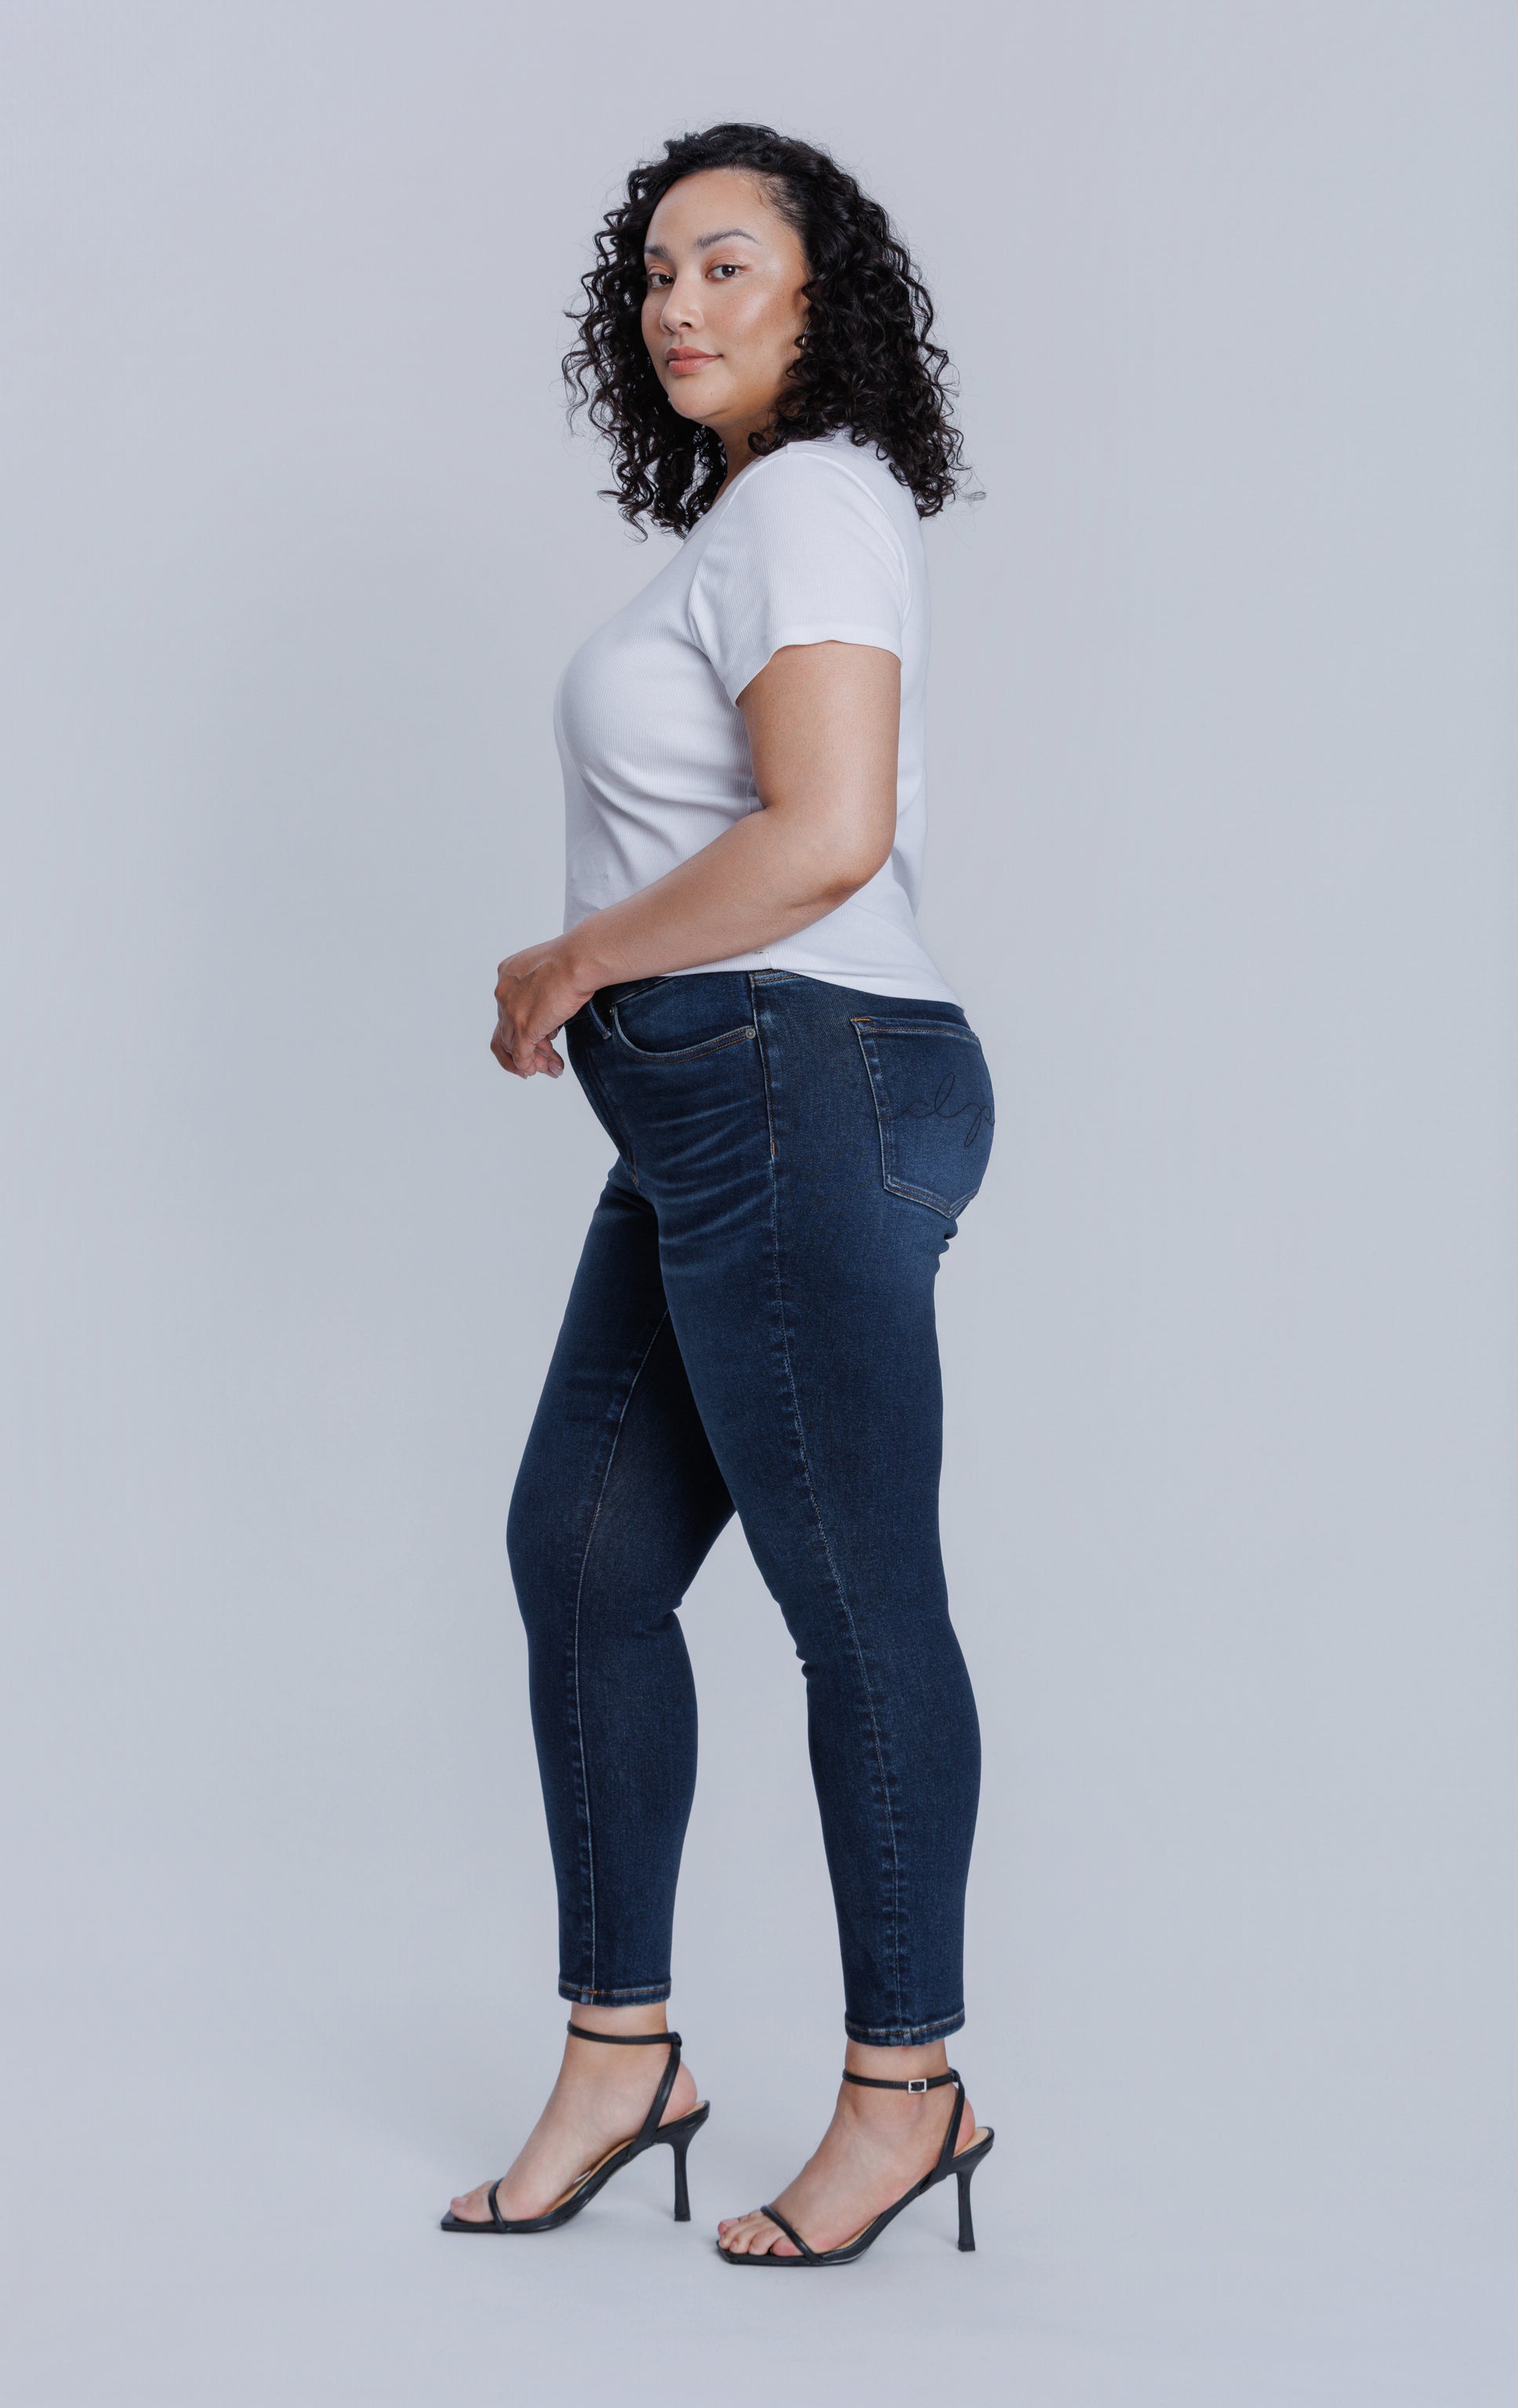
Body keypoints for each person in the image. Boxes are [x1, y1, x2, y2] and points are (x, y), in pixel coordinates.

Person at [441, 122, 996, 2266]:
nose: (679, 304)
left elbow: (825, 832)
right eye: (657, 271)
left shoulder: (812, 503)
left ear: (820, 294)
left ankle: (909, 2091)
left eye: (729, 264)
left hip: (792, 1078)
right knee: (581, 1557)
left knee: (854, 1598)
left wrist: (574, 961)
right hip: (725, 1108)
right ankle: (624, 2056)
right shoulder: (753, 520)